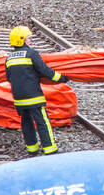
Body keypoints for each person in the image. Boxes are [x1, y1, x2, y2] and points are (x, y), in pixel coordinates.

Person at [5, 26, 69, 156]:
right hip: (34, 96)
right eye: (28, 38)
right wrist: (61, 78)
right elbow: (45, 71)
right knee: (42, 122)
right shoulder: (31, 54)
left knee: (26, 122)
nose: (30, 41)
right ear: (21, 40)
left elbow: (8, 77)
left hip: (19, 98)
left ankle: (32, 149)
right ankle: (50, 149)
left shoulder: (9, 58)